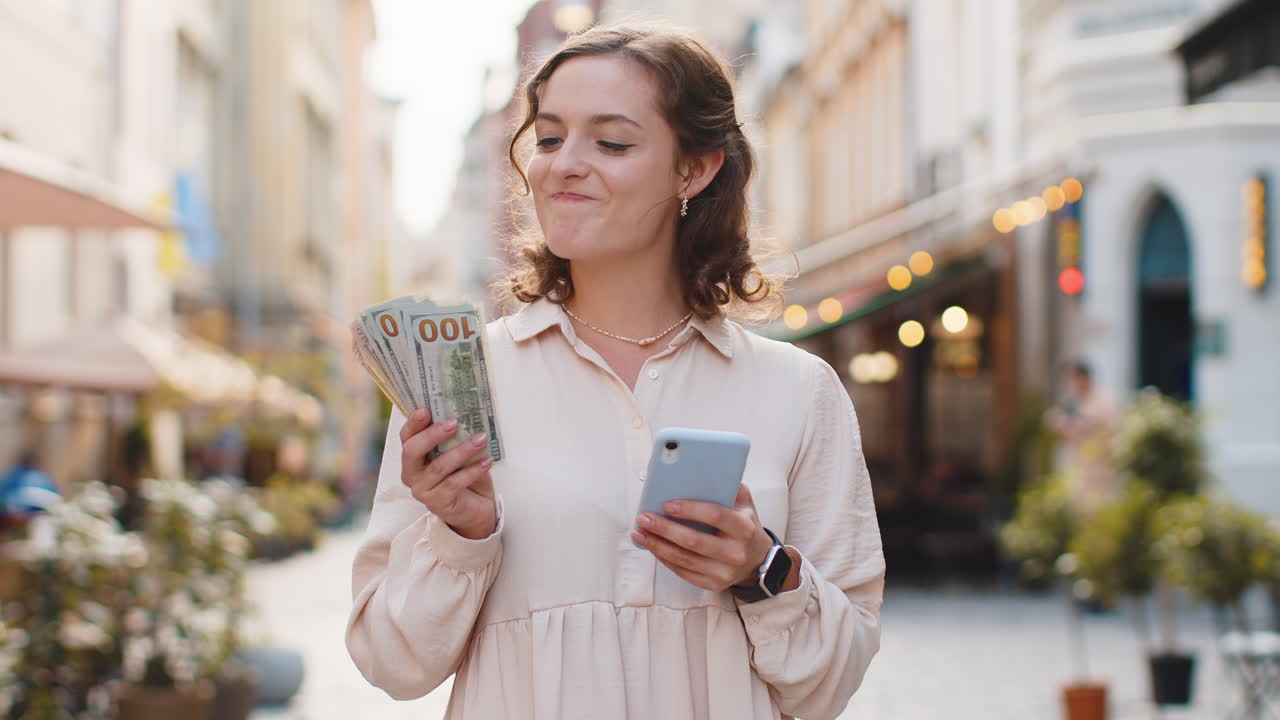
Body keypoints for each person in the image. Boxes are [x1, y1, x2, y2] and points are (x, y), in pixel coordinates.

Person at [346, 25, 884, 720]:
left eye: (612, 143)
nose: (564, 164)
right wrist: (461, 535)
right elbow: (394, 665)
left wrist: (760, 571)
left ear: (694, 169)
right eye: (547, 138)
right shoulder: (459, 381)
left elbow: (830, 686)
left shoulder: (799, 392)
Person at [1045, 361, 1119, 515]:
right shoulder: (1073, 402)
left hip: (1099, 467)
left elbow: (1105, 430)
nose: (1072, 385)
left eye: (1074, 379)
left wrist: (1076, 427)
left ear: (1083, 378)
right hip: (1078, 467)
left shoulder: (1103, 401)